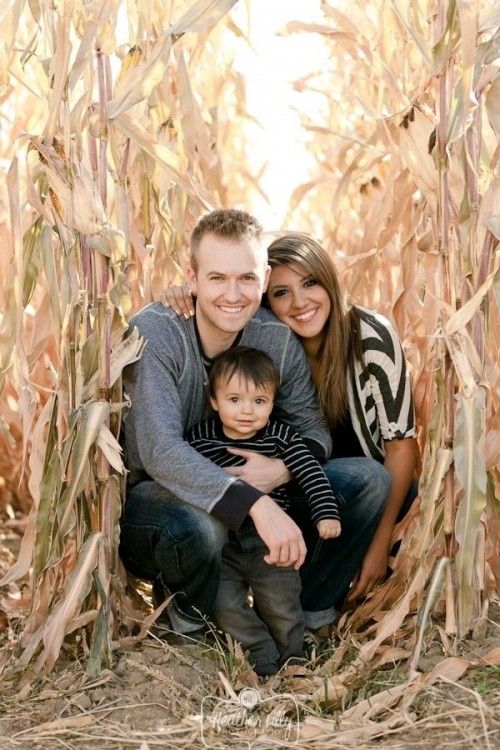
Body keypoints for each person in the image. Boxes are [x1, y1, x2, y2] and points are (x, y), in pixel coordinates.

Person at [121, 209, 383, 643]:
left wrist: (282, 471)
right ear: (192, 277)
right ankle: (192, 624)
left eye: (246, 278)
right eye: (217, 278)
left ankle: (303, 611)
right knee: (202, 525)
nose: (233, 294)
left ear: (263, 279)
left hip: (259, 484)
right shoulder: (158, 334)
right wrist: (256, 505)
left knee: (368, 480)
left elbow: (313, 431)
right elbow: (159, 452)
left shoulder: (274, 338)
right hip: (161, 501)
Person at [163, 232, 417, 608]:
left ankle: (314, 604)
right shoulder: (270, 343)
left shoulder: (368, 337)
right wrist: (183, 294)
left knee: (375, 482)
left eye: (311, 283)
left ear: (329, 281)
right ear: (266, 298)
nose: (300, 303)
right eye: (281, 293)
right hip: (286, 493)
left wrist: (378, 549)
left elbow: (401, 448)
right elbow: (222, 304)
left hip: (353, 493)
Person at [187, 346, 341, 674]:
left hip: (270, 543)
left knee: (281, 601)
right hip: (224, 542)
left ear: (272, 403)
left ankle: (294, 653)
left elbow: (310, 471)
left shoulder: (280, 438)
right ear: (214, 401)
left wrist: (326, 512)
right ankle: (260, 654)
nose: (247, 411)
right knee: (225, 603)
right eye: (234, 400)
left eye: (259, 401)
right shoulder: (198, 440)